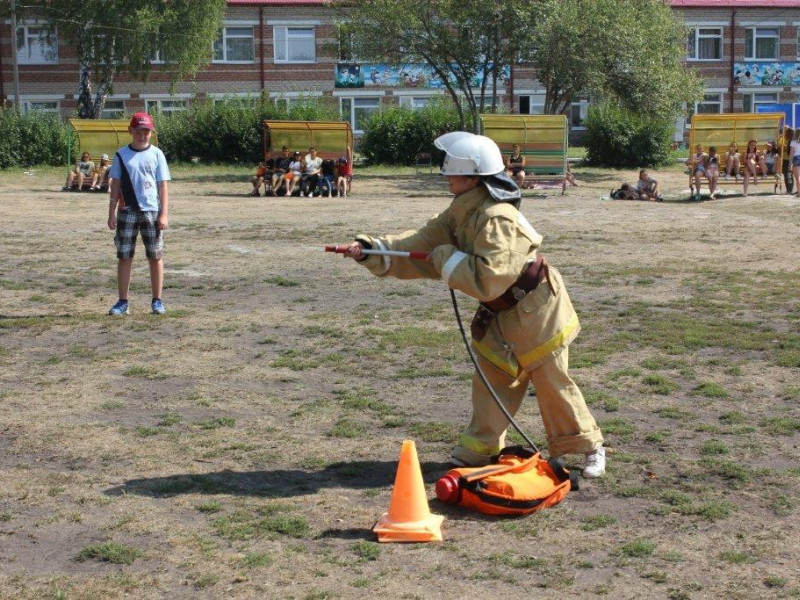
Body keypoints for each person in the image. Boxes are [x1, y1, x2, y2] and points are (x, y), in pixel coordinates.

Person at [341, 131, 606, 478]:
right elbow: (422, 242)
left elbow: (491, 276)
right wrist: (373, 249)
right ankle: (479, 450)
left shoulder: (498, 218)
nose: (446, 176)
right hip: (500, 312)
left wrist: (447, 257)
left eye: (451, 171)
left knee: (552, 382)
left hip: (537, 311)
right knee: (492, 380)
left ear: (472, 175)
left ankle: (589, 448)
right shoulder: (461, 210)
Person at [106, 112, 171, 316]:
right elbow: (115, 184)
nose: (142, 135)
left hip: (151, 211)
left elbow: (163, 186)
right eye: (139, 131)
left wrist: (164, 214)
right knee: (125, 256)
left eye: (146, 131)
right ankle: (123, 301)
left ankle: (157, 301)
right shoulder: (121, 155)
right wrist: (111, 212)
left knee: (155, 256)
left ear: (151, 133)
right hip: (127, 212)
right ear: (131, 131)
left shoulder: (157, 154)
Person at [779, 126, 794, 194]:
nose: (783, 132)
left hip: (789, 159)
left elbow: (790, 150)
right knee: (786, 174)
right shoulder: (782, 138)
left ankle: (789, 190)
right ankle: (788, 189)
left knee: (788, 174)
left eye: (785, 131)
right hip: (783, 159)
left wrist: (784, 148)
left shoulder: (791, 140)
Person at [791, 129, 800, 198]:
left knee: (797, 178)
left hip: (796, 158)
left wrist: (790, 162)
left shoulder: (793, 142)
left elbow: (792, 153)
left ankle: (799, 192)